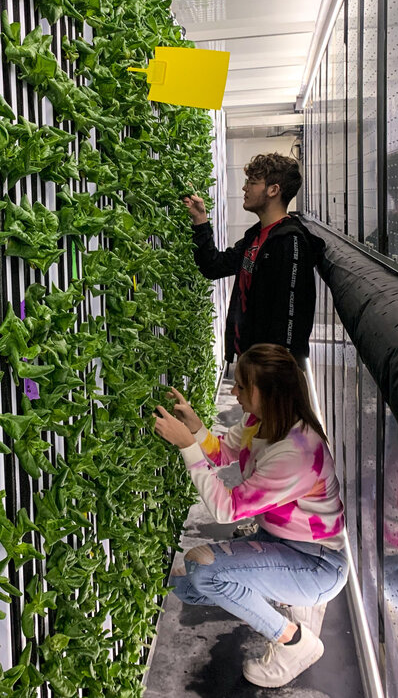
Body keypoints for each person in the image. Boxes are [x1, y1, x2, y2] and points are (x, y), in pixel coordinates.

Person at [153, 344, 348, 688]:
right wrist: (196, 428)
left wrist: (187, 448)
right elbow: (226, 452)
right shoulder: (261, 421)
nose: (233, 391)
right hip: (282, 542)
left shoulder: (296, 452)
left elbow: (226, 509)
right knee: (186, 585)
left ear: (266, 392)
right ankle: (287, 596)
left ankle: (293, 641)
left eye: (242, 386)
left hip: (318, 563)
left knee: (207, 572)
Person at [184, 153, 325, 365]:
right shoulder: (257, 236)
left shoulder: (290, 242)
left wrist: (272, 376)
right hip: (250, 363)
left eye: (252, 182)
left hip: (269, 375)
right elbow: (213, 266)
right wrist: (200, 220)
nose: (244, 188)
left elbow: (290, 319)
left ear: (273, 190)